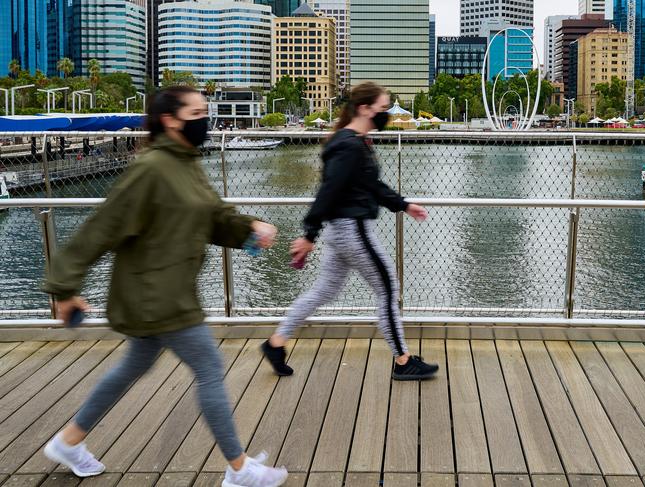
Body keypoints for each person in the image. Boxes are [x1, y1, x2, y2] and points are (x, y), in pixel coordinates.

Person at [42, 86, 288, 487]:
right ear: (171, 120)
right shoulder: (151, 169)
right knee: (209, 367)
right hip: (157, 295)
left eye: (205, 111)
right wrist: (64, 287)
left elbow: (210, 217)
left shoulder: (185, 162)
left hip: (166, 289)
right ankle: (240, 469)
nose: (204, 118)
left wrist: (249, 229)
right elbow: (100, 228)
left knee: (132, 366)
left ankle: (69, 442)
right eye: (196, 112)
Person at [261, 82, 438, 381]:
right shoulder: (349, 145)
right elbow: (328, 192)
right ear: (365, 109)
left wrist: (404, 205)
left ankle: (276, 343)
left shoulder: (354, 142)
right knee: (388, 289)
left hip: (342, 232)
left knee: (324, 291)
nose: (387, 114)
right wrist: (308, 234)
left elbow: (371, 186)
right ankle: (403, 361)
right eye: (383, 109)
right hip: (353, 231)